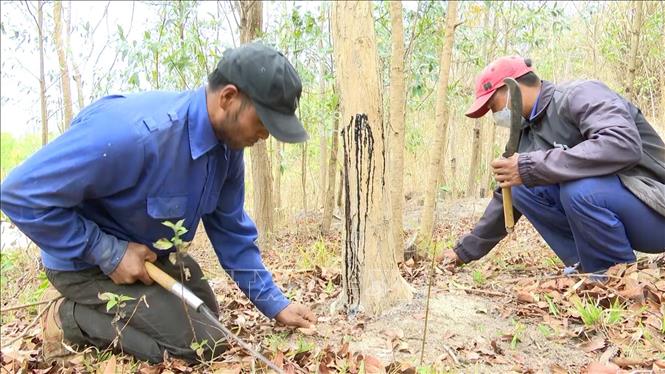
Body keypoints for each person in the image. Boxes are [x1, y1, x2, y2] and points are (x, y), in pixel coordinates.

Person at [0, 42, 316, 364]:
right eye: (264, 122)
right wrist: (109, 252)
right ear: (228, 98)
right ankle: (66, 317)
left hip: (150, 257)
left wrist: (275, 303)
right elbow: (17, 194)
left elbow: (230, 229)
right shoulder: (135, 136)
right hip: (83, 264)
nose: (265, 136)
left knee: (209, 315)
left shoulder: (228, 150)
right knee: (201, 345)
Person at [440, 56, 665, 274]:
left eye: (493, 105)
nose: (495, 114)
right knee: (521, 187)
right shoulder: (527, 134)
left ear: (513, 88)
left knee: (578, 190)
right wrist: (463, 252)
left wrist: (531, 166)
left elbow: (623, 144)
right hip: (624, 214)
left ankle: (615, 277)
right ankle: (589, 265)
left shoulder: (580, 94)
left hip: (655, 207)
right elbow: (506, 198)